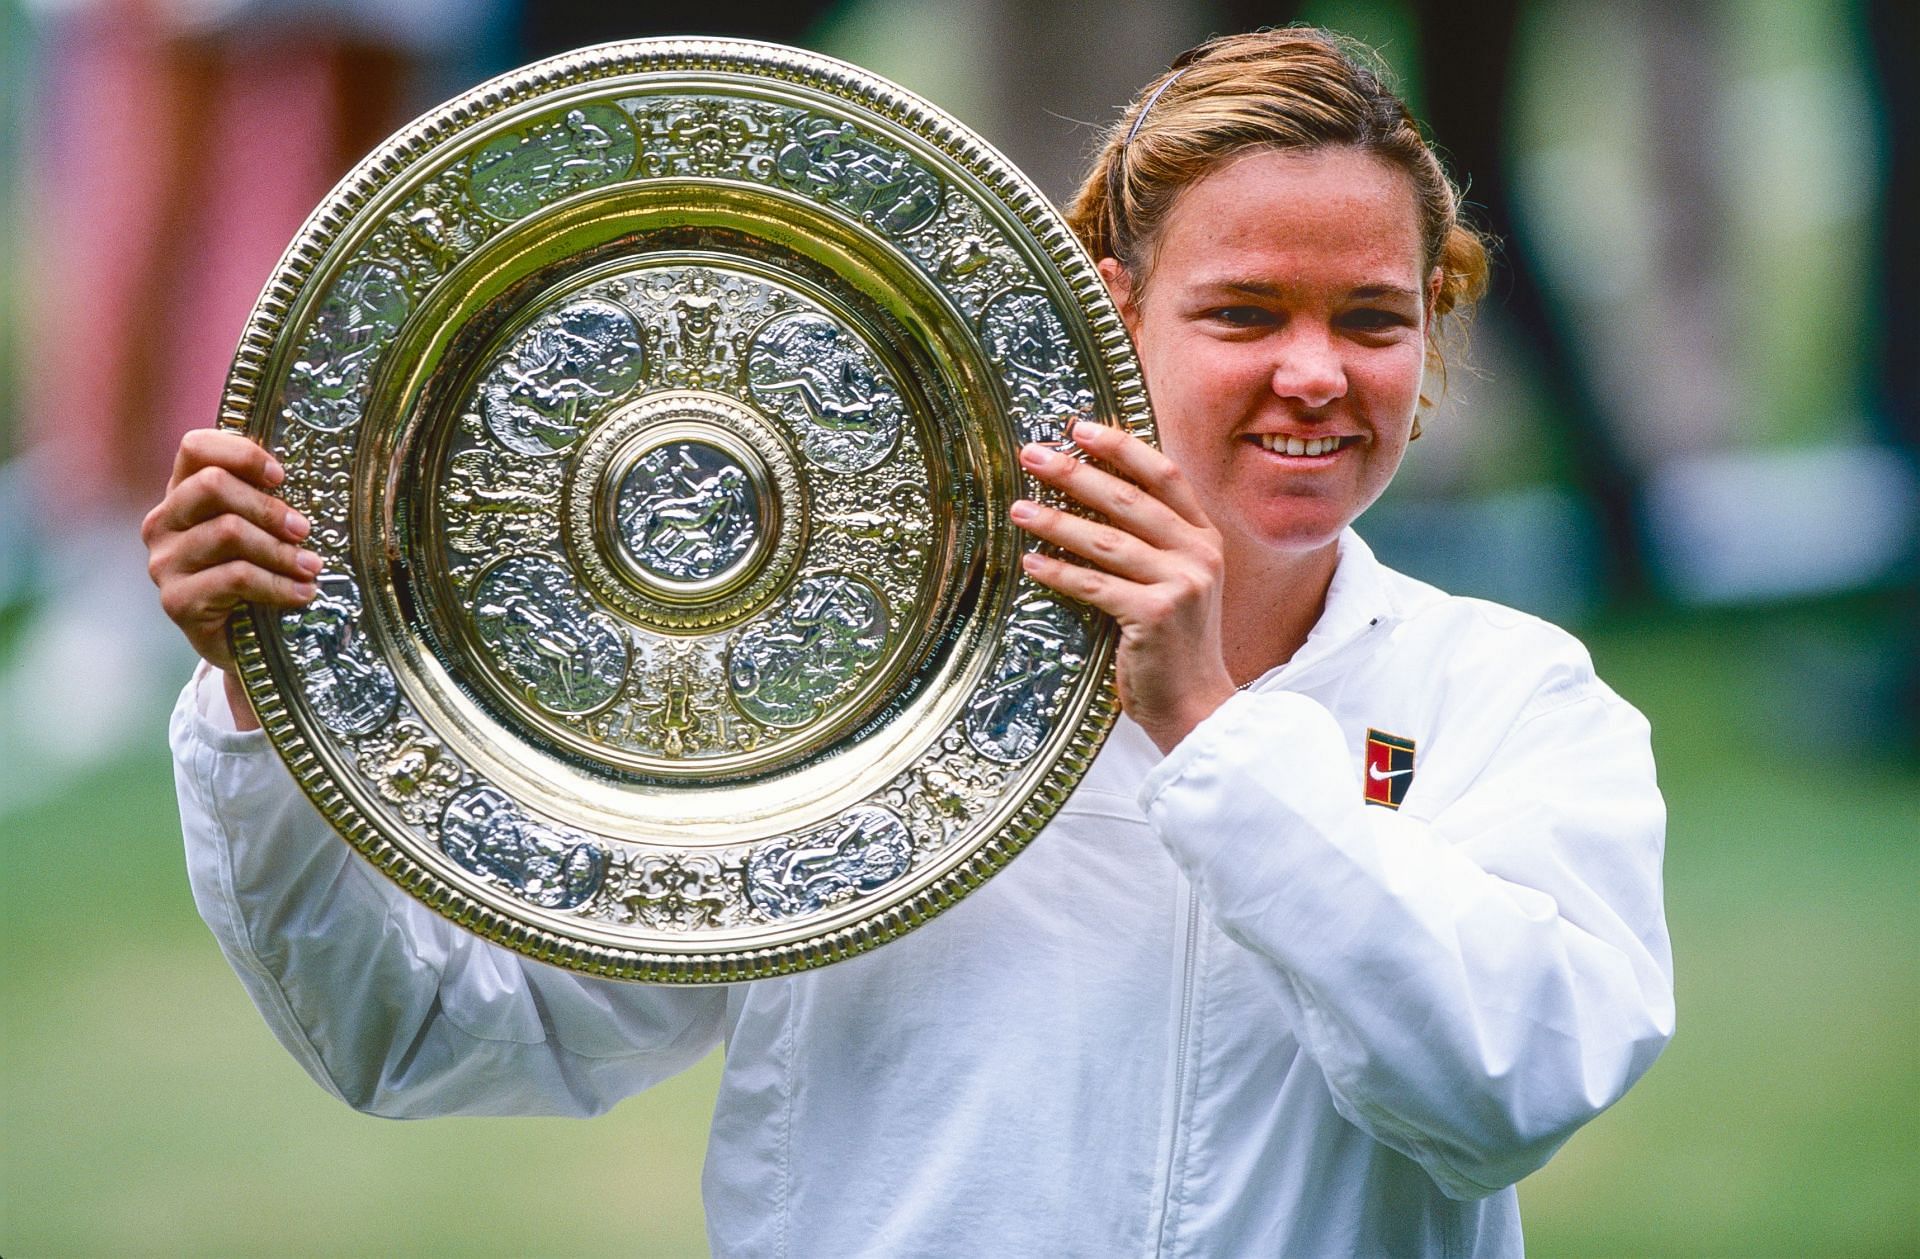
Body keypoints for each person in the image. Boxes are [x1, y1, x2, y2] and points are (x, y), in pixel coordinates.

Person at [146, 28, 1673, 1257]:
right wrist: (261, 697)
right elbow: (421, 1036)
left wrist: (1212, 726)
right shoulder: (866, 684)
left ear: (1439, 329)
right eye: (1244, 312)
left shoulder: (1512, 699)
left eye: (1374, 318)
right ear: (1113, 314)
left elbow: (1504, 1091)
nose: (1313, 374)